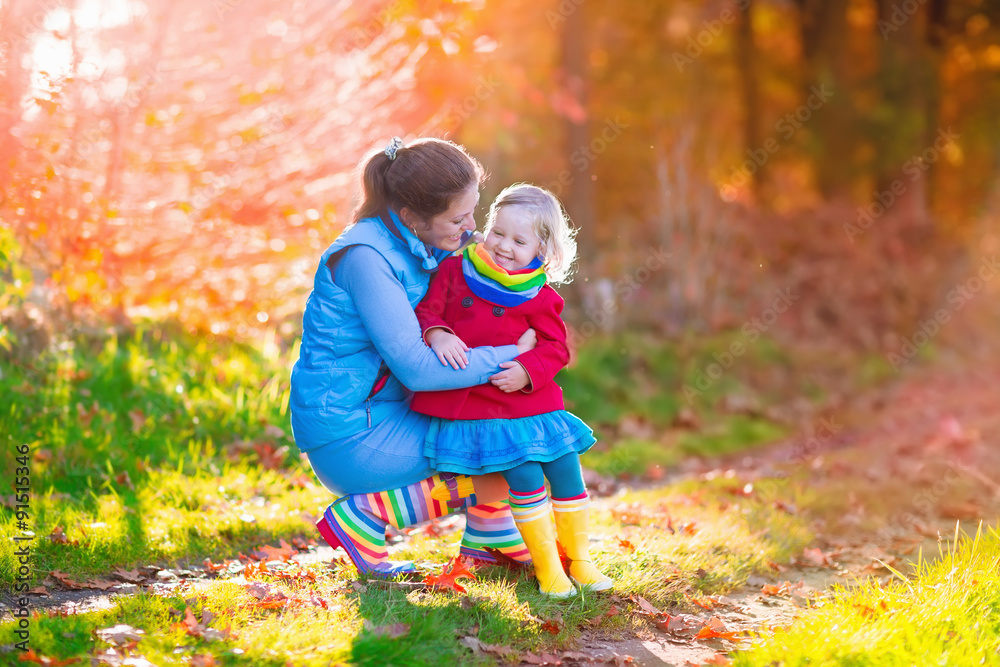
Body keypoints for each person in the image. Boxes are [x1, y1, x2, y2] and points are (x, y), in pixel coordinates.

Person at [290, 137, 537, 578]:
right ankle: (366, 516)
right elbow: (418, 370)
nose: (471, 227)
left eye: (473, 213)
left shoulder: (422, 245)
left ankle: (491, 538)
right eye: (458, 218)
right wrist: (511, 357)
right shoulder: (365, 258)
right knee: (506, 442)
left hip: (389, 414)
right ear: (410, 216)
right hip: (351, 433)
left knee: (517, 428)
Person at [409, 183, 613, 597]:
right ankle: (548, 567)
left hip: (528, 402)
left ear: (543, 248)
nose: (503, 246)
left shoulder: (539, 294)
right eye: (498, 232)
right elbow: (428, 307)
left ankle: (580, 560)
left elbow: (556, 347)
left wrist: (526, 368)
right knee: (523, 470)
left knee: (566, 465)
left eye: (519, 241)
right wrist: (439, 332)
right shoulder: (456, 269)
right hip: (481, 407)